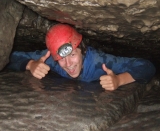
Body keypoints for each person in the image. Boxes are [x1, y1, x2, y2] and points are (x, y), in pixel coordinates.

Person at [8, 24, 156, 91]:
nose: (68, 64)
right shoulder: (50, 60)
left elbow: (147, 67)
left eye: (72, 54)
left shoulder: (100, 62)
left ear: (82, 50)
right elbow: (9, 57)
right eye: (61, 58)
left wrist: (119, 80)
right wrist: (31, 64)